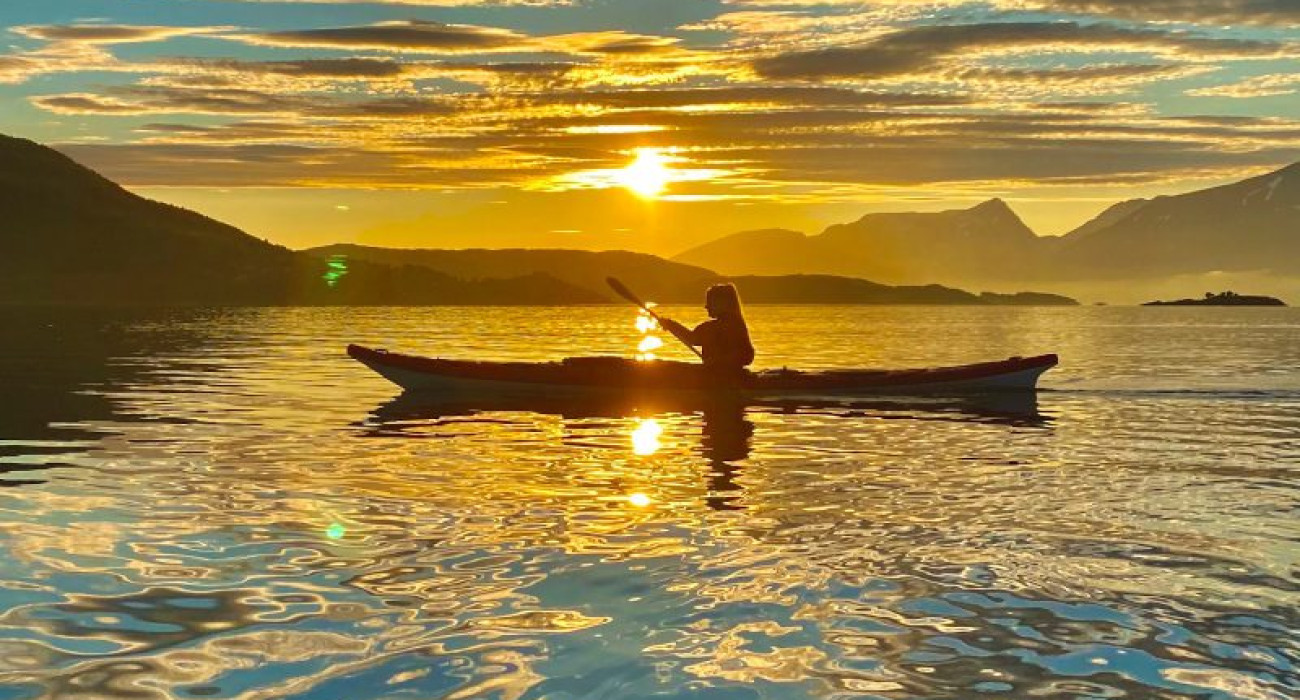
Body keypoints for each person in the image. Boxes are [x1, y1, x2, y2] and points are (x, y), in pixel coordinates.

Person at [659, 283, 755, 373]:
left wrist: (670, 324)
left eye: (709, 302)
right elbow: (748, 357)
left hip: (718, 377)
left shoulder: (712, 328)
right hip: (727, 375)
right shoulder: (738, 326)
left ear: (721, 303)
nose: (706, 306)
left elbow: (692, 338)